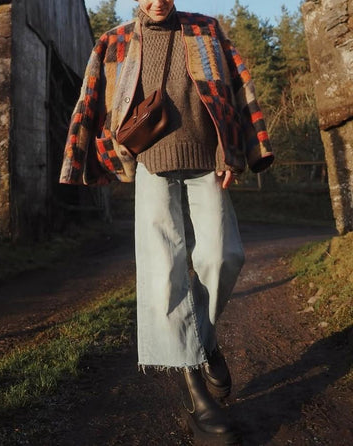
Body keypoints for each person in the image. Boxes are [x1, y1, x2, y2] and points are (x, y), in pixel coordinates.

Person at [60, 0, 274, 444]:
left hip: (206, 164)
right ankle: (198, 396)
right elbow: (91, 103)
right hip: (151, 169)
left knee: (224, 255)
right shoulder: (113, 41)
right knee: (166, 275)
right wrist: (102, 154)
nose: (157, 0)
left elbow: (237, 89)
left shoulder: (205, 30)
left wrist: (232, 150)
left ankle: (204, 343)